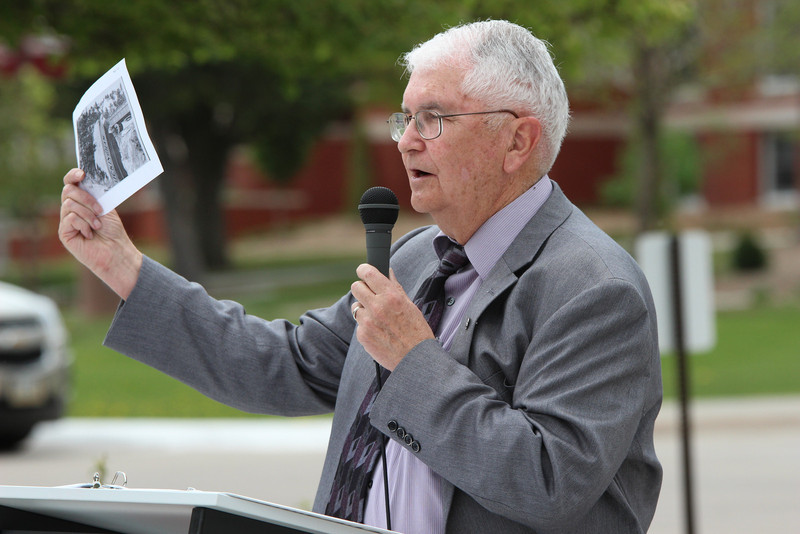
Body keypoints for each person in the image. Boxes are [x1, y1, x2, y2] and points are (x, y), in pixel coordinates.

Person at [59, 20, 662, 534]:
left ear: (517, 140)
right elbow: (282, 364)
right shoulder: (418, 258)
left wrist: (414, 361)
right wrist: (123, 267)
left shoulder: (593, 288)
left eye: (433, 119)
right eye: (405, 119)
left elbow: (549, 483)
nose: (406, 143)